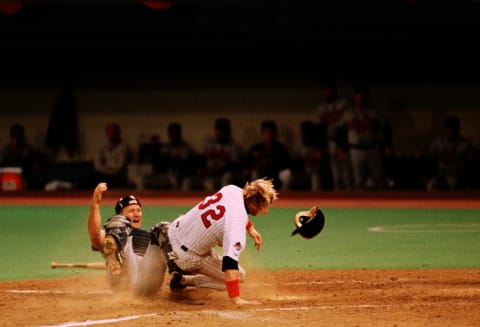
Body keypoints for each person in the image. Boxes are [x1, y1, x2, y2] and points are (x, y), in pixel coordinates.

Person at [166, 177, 278, 305]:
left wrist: (250, 228)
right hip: (187, 256)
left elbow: (235, 208)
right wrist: (236, 299)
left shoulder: (232, 190)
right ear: (256, 203)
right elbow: (229, 265)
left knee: (206, 248)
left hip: (175, 230)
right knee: (239, 276)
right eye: (264, 206)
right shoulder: (237, 224)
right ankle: (183, 280)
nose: (263, 210)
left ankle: (174, 260)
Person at [87, 182, 168, 296]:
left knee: (163, 229)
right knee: (116, 228)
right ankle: (114, 257)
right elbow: (95, 237)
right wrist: (95, 205)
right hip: (124, 283)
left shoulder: (151, 236)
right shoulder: (111, 235)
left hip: (148, 284)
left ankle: (180, 275)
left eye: (138, 210)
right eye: (131, 211)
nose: (136, 214)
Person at [337, 84, 392, 190]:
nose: (360, 98)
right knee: (358, 180)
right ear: (355, 97)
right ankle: (357, 205)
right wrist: (341, 147)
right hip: (355, 149)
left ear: (367, 97)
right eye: (358, 95)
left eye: (363, 95)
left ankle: (385, 203)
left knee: (379, 178)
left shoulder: (374, 113)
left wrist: (387, 145)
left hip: (372, 148)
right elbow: (340, 131)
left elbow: (385, 129)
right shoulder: (348, 113)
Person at [184, 117, 245, 191]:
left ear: (228, 131)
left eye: (224, 130)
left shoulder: (233, 147)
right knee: (188, 182)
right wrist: (201, 169)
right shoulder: (208, 144)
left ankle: (222, 201)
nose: (221, 133)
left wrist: (219, 169)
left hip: (221, 177)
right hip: (206, 176)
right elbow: (199, 160)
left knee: (226, 177)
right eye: (219, 130)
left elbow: (234, 166)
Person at [316, 81, 353, 190]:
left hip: (344, 141)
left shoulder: (344, 104)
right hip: (330, 140)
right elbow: (320, 128)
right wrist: (320, 147)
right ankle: (340, 196)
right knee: (336, 172)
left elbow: (346, 127)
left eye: (329, 90)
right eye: (325, 90)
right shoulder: (322, 107)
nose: (326, 92)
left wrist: (343, 145)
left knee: (346, 171)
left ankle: (352, 195)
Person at [425, 115, 477, 190]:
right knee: (431, 185)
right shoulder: (438, 142)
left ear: (458, 130)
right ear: (445, 130)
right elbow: (429, 158)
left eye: (453, 129)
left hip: (456, 173)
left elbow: (470, 161)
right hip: (440, 173)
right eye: (448, 129)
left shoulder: (464, 144)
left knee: (452, 183)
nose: (451, 132)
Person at [245, 120, 292, 190]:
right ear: (262, 134)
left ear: (275, 134)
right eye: (266, 133)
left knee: (287, 173)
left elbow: (286, 163)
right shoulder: (257, 148)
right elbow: (248, 161)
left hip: (276, 174)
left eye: (271, 133)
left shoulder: (281, 148)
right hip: (260, 174)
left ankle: (284, 194)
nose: (269, 135)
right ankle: (256, 194)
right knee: (254, 173)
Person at [93, 123, 132, 189]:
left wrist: (106, 166)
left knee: (119, 178)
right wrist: (109, 168)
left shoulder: (124, 147)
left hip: (117, 175)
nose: (112, 135)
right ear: (106, 133)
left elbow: (120, 166)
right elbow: (97, 165)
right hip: (103, 175)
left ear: (118, 133)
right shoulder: (101, 146)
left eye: (114, 132)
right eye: (110, 132)